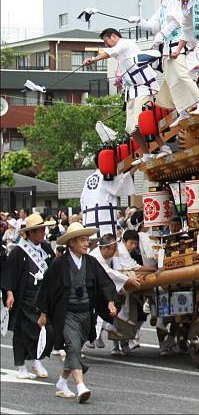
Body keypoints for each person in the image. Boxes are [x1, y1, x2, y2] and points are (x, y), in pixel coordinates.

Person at [37, 222, 117, 403]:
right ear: (71, 243)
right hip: (66, 314)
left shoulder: (91, 262)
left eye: (87, 240)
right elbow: (47, 289)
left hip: (86, 314)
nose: (87, 244)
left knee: (75, 349)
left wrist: (110, 302)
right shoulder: (59, 264)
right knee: (73, 347)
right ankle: (81, 387)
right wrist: (43, 313)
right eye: (82, 240)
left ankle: (62, 383)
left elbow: (105, 283)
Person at [127, 0, 199, 128]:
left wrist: (162, 33)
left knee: (181, 75)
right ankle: (183, 111)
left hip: (177, 42)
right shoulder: (164, 1)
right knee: (172, 81)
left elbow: (178, 21)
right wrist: (139, 21)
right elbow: (154, 24)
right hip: (166, 46)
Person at [83, 29, 170, 159]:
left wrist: (93, 59)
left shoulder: (125, 43)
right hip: (131, 92)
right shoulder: (120, 54)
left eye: (107, 42)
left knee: (142, 121)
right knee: (131, 129)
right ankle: (146, 154)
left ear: (113, 36)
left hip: (144, 88)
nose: (107, 45)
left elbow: (110, 52)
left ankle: (164, 147)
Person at [1, 213, 56, 379]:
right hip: (24, 298)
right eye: (41, 230)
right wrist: (9, 293)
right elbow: (9, 274)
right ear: (31, 233)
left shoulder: (46, 248)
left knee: (47, 330)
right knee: (21, 332)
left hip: (42, 298)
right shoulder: (18, 251)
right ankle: (22, 366)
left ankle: (37, 359)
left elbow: (54, 269)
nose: (44, 233)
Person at [81, 164, 136, 238]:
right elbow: (121, 182)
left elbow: (82, 201)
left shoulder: (88, 179)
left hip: (89, 228)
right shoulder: (106, 177)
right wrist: (136, 167)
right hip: (105, 229)